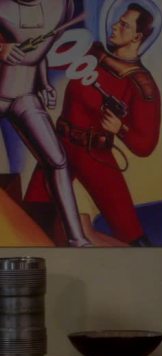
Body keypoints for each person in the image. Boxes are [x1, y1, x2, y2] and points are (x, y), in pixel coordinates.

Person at [24, 2, 161, 246]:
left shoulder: (142, 85)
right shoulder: (92, 53)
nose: (115, 26)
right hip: (58, 146)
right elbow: (43, 56)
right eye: (118, 20)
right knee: (32, 219)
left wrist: (121, 129)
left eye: (124, 25)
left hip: (94, 154)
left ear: (137, 37)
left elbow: (146, 145)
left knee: (132, 236)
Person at [0, 0, 90, 246]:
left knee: (58, 161)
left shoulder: (62, 6)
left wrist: (43, 83)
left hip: (25, 96)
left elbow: (38, 48)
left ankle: (77, 239)